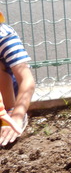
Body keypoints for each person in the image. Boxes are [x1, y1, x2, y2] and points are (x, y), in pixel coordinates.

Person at [0, 10, 35, 146]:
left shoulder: (5, 38)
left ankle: (9, 111)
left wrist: (17, 115)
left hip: (7, 95)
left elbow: (27, 80)